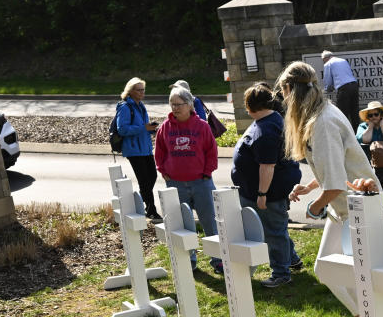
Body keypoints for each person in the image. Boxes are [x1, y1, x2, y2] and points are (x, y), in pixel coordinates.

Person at [278, 61, 380, 317]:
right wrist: (310, 185)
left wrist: (313, 207)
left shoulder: (322, 122)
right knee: (326, 269)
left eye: (284, 92)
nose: (283, 99)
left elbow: (335, 182)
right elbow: (332, 167)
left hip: (358, 206)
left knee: (359, 276)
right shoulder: (319, 113)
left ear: (290, 90)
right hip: (344, 206)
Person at [230, 82, 303, 288]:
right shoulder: (269, 120)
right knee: (276, 227)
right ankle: (291, 259)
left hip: (267, 193)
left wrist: (262, 194)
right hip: (263, 190)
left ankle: (281, 272)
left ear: (249, 106)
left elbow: (267, 167)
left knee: (273, 231)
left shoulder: (267, 130)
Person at [154, 85, 223, 273]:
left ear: (190, 105)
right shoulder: (165, 128)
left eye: (179, 104)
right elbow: (159, 152)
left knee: (210, 222)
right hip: (176, 184)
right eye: (172, 104)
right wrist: (163, 170)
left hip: (201, 182)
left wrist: (207, 172)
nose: (175, 108)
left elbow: (211, 152)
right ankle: (189, 260)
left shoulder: (202, 126)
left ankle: (217, 260)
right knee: (184, 225)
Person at [116, 78, 161, 221]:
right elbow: (122, 130)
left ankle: (140, 201)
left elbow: (143, 127)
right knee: (144, 180)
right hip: (134, 150)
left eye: (143, 90)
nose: (142, 92)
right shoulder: (125, 107)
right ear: (130, 91)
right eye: (139, 90)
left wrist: (152, 129)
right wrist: (144, 128)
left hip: (145, 148)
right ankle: (151, 210)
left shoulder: (140, 106)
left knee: (152, 176)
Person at [321, 50, 360, 131]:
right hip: (354, 85)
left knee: (342, 113)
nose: (323, 62)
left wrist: (326, 90)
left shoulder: (328, 64)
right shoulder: (343, 60)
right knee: (354, 111)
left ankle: (345, 135)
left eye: (323, 60)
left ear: (325, 58)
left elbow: (328, 80)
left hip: (344, 88)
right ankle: (357, 133)